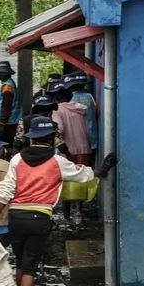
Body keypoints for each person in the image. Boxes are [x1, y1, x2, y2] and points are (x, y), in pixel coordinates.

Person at [0, 116, 117, 286]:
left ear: (31, 138)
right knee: (30, 266)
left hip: (15, 216)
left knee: (21, 261)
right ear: (51, 139)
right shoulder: (58, 161)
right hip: (40, 217)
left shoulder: (16, 160)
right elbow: (83, 174)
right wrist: (103, 169)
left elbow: (6, 190)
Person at [47, 81, 91, 225]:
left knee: (65, 182)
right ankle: (79, 212)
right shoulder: (80, 108)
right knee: (81, 180)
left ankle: (66, 217)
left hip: (68, 150)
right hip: (84, 148)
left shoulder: (57, 110)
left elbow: (60, 130)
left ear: (56, 98)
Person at [0, 62, 23, 144]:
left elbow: (6, 106)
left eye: (2, 74)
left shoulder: (7, 87)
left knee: (2, 143)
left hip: (5, 122)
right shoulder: (10, 84)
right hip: (12, 120)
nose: (0, 76)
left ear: (8, 74)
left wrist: (2, 123)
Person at [65, 72, 98, 157]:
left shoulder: (70, 99)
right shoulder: (89, 97)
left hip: (76, 139)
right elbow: (93, 115)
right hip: (92, 136)